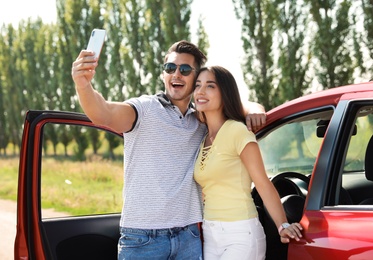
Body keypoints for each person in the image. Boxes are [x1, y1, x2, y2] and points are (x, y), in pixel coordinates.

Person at [71, 40, 266, 259]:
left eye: (185, 70)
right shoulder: (143, 110)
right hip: (143, 239)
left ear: (195, 79)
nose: (176, 74)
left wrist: (256, 109)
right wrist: (83, 85)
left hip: (189, 236)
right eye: (170, 68)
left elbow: (233, 104)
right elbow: (103, 112)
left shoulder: (200, 120)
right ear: (163, 74)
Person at [193, 66, 303, 260]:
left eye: (210, 86)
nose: (200, 91)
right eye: (198, 85)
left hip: (241, 233)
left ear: (225, 93)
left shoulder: (237, 131)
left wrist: (282, 225)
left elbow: (262, 183)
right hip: (211, 235)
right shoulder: (204, 139)